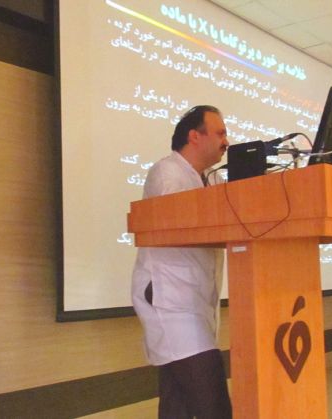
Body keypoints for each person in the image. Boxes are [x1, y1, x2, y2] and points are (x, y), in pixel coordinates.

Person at [131, 105, 232, 419]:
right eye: (220, 133)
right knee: (213, 404)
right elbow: (181, 222)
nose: (227, 141)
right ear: (194, 136)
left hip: (194, 302)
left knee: (177, 405)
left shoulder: (212, 179)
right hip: (170, 299)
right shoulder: (167, 172)